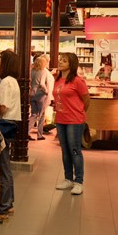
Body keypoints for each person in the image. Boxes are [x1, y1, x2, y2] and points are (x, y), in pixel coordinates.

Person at [0, 49, 21, 221]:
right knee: (5, 164)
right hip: (8, 124)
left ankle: (4, 207)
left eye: (0, 57)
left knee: (3, 166)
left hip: (4, 125)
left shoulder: (7, 82)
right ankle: (9, 203)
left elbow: (3, 108)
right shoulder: (10, 81)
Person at [53, 52, 91, 195]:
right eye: (60, 60)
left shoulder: (77, 81)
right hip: (60, 119)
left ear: (71, 64)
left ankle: (78, 181)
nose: (60, 62)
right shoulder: (57, 79)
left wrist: (79, 112)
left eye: (64, 61)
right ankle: (68, 179)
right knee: (65, 150)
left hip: (74, 121)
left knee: (75, 150)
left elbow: (86, 99)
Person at [28, 55, 48, 140]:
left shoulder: (31, 71)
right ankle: (39, 135)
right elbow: (42, 84)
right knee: (42, 114)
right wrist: (46, 91)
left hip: (32, 94)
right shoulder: (43, 72)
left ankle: (26, 132)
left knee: (33, 114)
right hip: (40, 95)